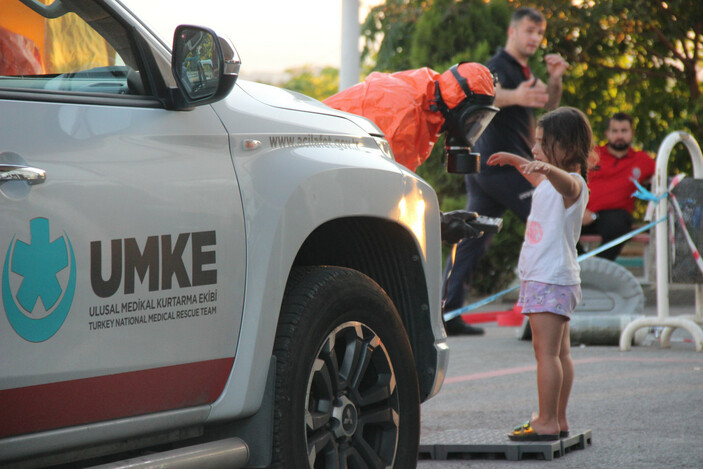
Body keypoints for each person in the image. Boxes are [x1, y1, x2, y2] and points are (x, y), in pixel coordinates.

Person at [442, 6, 569, 336]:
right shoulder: (498, 66)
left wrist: (554, 79)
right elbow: (479, 93)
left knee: (472, 239)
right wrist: (516, 95)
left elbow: (549, 103)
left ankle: (448, 312)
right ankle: (539, 319)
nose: (535, 38)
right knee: (549, 224)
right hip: (505, 168)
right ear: (512, 32)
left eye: (540, 33)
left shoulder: (523, 70)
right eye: (529, 31)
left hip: (490, 172)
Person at [487, 106, 593, 441]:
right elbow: (540, 177)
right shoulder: (549, 182)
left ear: (568, 148)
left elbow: (564, 184)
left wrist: (547, 167)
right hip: (552, 278)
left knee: (545, 354)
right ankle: (557, 418)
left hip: (550, 279)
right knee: (560, 353)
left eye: (542, 143)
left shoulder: (572, 184)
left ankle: (546, 420)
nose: (534, 150)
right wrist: (516, 160)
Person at [324, 63, 498, 243]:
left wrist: (439, 219)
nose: (474, 126)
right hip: (325, 179)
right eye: (472, 118)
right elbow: (387, 193)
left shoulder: (427, 95)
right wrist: (439, 224)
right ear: (459, 108)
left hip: (330, 173)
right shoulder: (404, 117)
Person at [580, 112, 656, 260]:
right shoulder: (592, 155)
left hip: (613, 219)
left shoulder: (642, 160)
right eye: (615, 131)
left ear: (632, 133)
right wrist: (578, 210)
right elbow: (570, 179)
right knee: (557, 223)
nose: (619, 135)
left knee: (620, 222)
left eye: (624, 131)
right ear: (607, 134)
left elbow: (663, 181)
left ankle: (598, 268)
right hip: (582, 214)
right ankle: (582, 267)